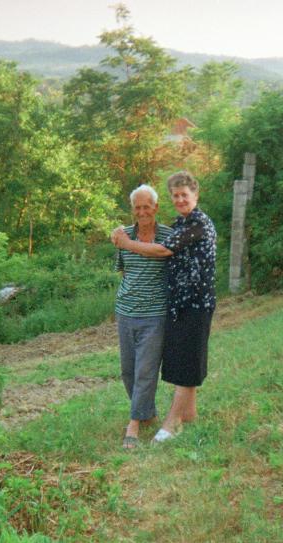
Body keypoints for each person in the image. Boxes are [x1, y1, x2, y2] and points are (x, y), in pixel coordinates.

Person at [112, 171, 216, 443]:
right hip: (172, 306)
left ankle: (158, 423)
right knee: (176, 362)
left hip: (193, 303)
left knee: (173, 366)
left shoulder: (195, 224)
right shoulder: (180, 224)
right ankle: (185, 413)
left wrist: (127, 243)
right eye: (176, 195)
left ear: (196, 195)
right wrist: (123, 240)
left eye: (185, 194)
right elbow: (124, 272)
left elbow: (163, 251)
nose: (180, 199)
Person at [114, 184, 172, 449]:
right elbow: (123, 272)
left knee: (145, 372)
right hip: (126, 313)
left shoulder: (168, 235)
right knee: (128, 371)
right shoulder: (122, 236)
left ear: (156, 207)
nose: (142, 211)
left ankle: (134, 424)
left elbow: (166, 258)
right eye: (137, 207)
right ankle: (148, 414)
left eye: (146, 206)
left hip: (155, 315)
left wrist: (130, 244)